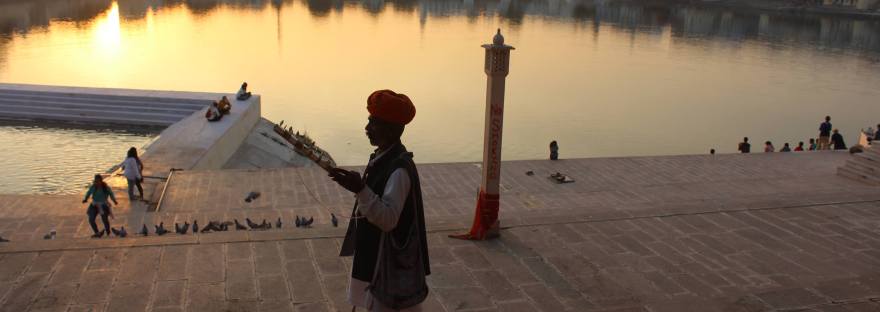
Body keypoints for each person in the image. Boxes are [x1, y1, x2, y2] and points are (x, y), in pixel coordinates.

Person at [329, 89, 429, 311]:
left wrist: (361, 189)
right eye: (369, 121)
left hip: (387, 266)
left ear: (392, 130)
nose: (367, 129)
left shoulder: (399, 170)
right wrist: (356, 188)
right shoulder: (382, 158)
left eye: (373, 123)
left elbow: (388, 219)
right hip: (377, 259)